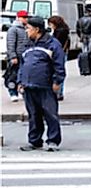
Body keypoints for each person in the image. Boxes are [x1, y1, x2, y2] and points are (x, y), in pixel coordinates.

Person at [18, 16, 66, 152]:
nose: (26, 31)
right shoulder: (28, 44)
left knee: (50, 114)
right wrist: (20, 81)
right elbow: (23, 65)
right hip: (29, 85)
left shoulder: (52, 44)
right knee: (33, 115)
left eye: (28, 28)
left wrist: (57, 81)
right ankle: (34, 141)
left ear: (37, 29)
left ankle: (53, 141)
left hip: (46, 85)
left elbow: (59, 64)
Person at [4, 10, 31, 103]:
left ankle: (21, 91)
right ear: (18, 18)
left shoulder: (26, 29)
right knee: (12, 75)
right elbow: (10, 43)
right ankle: (13, 93)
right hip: (16, 56)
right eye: (24, 17)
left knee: (22, 75)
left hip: (24, 56)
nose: (26, 19)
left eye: (26, 17)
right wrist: (12, 56)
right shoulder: (13, 29)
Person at [48, 15, 70, 101]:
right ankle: (59, 92)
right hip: (64, 52)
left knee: (57, 72)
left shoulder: (59, 32)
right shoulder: (65, 30)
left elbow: (55, 43)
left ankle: (58, 92)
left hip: (58, 54)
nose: (50, 26)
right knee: (60, 71)